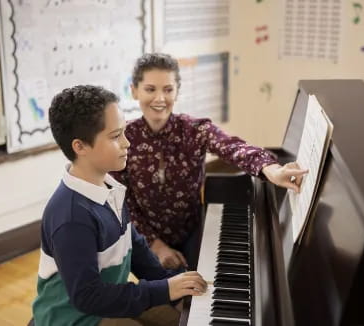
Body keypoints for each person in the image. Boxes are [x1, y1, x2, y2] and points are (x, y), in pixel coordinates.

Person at [110, 53, 307, 270]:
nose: (160, 98)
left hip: (191, 230)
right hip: (143, 237)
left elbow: (233, 147)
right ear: (134, 91)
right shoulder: (123, 136)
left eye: (168, 89)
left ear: (177, 91)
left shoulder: (195, 130)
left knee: (201, 282)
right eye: (150, 89)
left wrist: (272, 170)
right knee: (166, 289)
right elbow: (121, 200)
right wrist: (154, 244)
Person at [32, 85, 207, 326]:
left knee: (181, 319)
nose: (127, 143)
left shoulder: (110, 187)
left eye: (124, 132)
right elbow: (87, 297)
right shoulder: (71, 216)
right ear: (80, 147)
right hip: (73, 318)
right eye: (116, 136)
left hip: (108, 302)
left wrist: (175, 289)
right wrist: (164, 290)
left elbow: (136, 250)